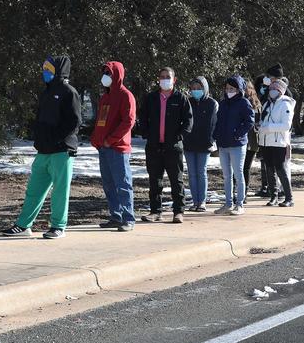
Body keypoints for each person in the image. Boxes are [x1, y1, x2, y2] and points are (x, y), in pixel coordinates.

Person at [0, 56, 82, 239]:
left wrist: (56, 139)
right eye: (44, 68)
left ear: (58, 70)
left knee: (60, 191)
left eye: (49, 69)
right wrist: (39, 138)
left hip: (62, 151)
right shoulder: (46, 93)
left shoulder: (69, 92)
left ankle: (58, 226)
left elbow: (75, 122)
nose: (45, 72)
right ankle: (23, 226)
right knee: (34, 190)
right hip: (44, 150)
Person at [139, 67, 193, 224]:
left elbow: (188, 121)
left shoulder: (181, 98)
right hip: (154, 146)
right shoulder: (151, 98)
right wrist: (147, 134)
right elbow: (143, 117)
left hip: (173, 147)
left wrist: (179, 136)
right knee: (154, 181)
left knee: (176, 180)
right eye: (162, 76)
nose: (164, 79)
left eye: (167, 77)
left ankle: (178, 211)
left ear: (174, 80)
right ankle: (155, 211)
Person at [92, 61, 137, 231]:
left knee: (123, 184)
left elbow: (129, 121)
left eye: (109, 73)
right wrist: (96, 139)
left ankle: (128, 218)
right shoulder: (105, 97)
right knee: (109, 184)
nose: (106, 77)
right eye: (104, 73)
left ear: (117, 74)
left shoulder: (126, 95)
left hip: (118, 149)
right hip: (103, 148)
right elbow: (101, 121)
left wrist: (111, 139)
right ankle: (115, 216)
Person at [213, 75, 255, 216]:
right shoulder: (223, 103)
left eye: (232, 88)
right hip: (223, 144)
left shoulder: (244, 103)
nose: (229, 91)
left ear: (239, 89)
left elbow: (250, 121)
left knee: (238, 174)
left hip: (237, 144)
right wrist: (215, 136)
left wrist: (238, 133)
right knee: (226, 175)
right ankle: (228, 204)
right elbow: (218, 123)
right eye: (227, 88)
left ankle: (240, 204)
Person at [183, 76, 218, 213]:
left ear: (205, 89)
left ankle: (202, 201)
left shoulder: (212, 103)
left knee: (201, 172)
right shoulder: (187, 102)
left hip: (204, 143)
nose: (196, 91)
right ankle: (195, 200)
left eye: (199, 88)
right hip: (189, 143)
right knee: (192, 173)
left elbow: (215, 124)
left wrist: (211, 140)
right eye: (193, 89)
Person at [259, 78, 295, 206]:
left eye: (275, 89)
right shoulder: (267, 104)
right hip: (266, 142)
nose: (272, 91)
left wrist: (268, 128)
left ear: (281, 91)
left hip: (278, 142)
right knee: (269, 170)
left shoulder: (285, 104)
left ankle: (289, 198)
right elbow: (263, 119)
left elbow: (286, 125)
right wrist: (260, 126)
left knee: (281, 170)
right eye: (271, 89)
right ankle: (273, 196)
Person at [242, 81, 263, 202]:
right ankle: (240, 192)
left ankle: (243, 193)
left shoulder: (256, 104)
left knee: (245, 168)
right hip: (244, 140)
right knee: (240, 168)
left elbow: (257, 123)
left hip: (251, 141)